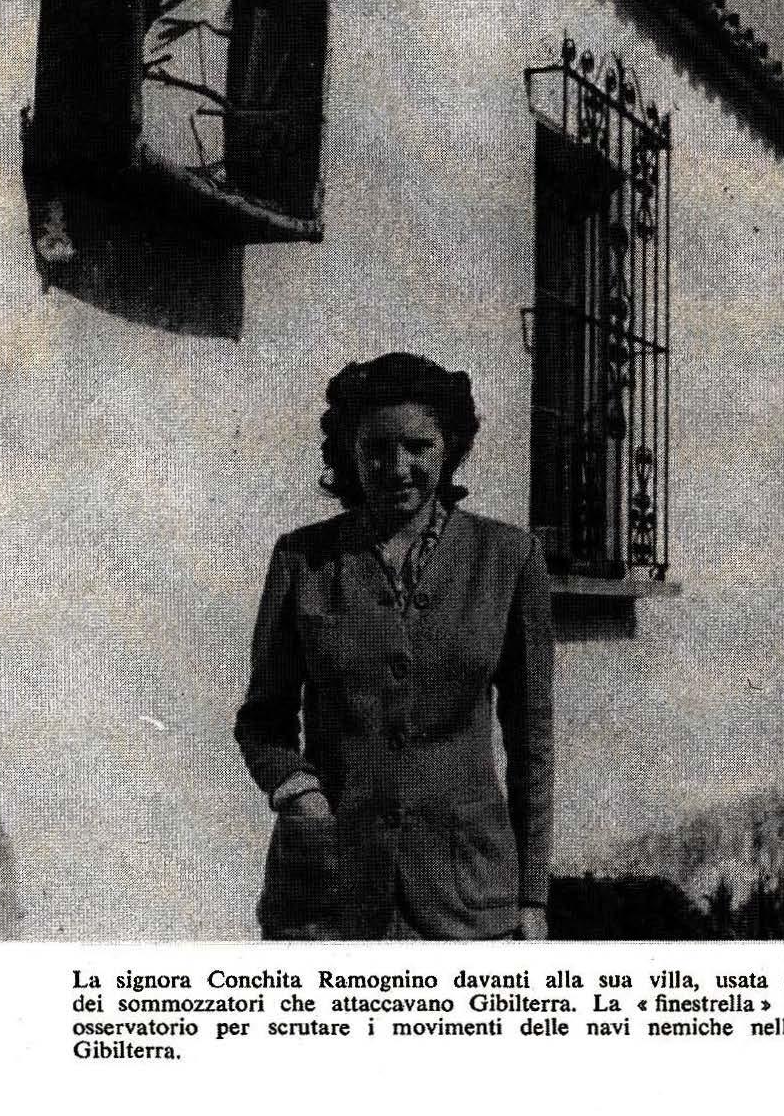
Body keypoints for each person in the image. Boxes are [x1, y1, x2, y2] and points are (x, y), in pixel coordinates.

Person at [234, 352, 554, 940]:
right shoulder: (303, 560)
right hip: (329, 893)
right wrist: (297, 791)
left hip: (465, 896)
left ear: (449, 448)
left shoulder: (509, 559)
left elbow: (530, 741)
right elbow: (262, 720)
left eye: (418, 447)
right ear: (349, 454)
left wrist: (532, 895)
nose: (397, 468)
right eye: (376, 449)